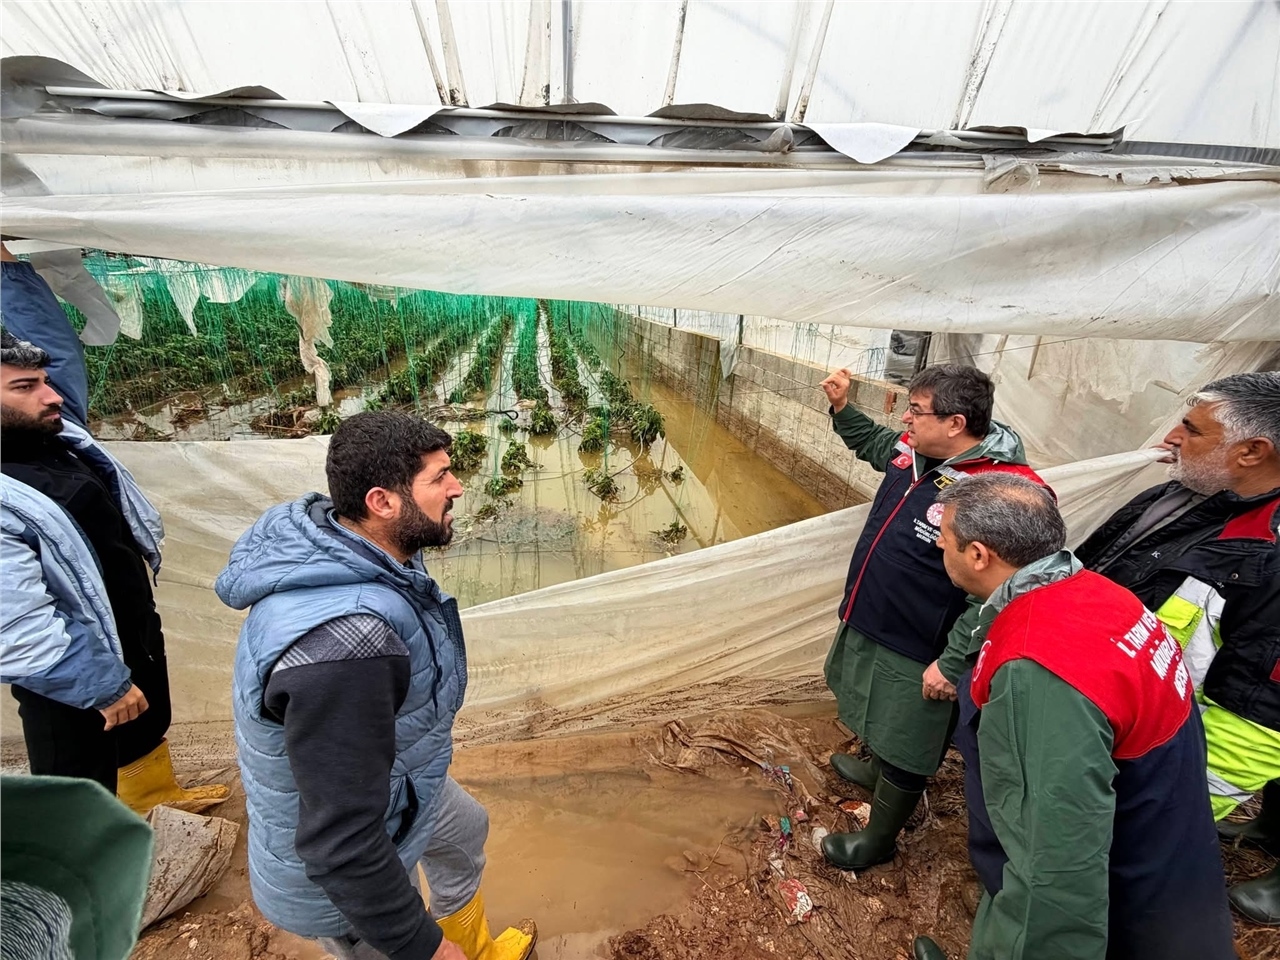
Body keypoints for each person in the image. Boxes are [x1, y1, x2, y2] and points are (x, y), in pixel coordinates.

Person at [215, 411, 536, 960]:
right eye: (438, 479)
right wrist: (421, 947)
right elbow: (341, 845)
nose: (457, 488)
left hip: (396, 781)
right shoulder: (348, 645)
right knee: (385, 936)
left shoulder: (345, 547)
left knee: (463, 831)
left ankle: (472, 942)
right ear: (381, 502)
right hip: (347, 869)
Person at [913, 473, 1235, 960]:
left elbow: (1054, 866)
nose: (940, 548)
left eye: (946, 542)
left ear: (979, 555)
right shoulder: (1100, 594)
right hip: (1167, 849)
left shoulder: (1034, 668)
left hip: (1120, 884)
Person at [816, 364, 1046, 871]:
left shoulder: (1001, 493)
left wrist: (954, 659)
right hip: (877, 614)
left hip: (926, 640)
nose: (906, 421)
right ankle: (878, 772)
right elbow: (877, 444)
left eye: (916, 412)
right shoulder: (914, 454)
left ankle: (878, 839)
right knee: (879, 708)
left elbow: (1001, 592)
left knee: (909, 737)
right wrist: (842, 408)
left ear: (956, 422)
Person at [1076, 370, 1280, 925]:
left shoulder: (1265, 554)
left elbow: (1257, 714)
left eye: (1190, 430)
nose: (1169, 439)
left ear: (1251, 451)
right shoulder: (1202, 494)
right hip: (1146, 707)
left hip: (1202, 735)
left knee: (1131, 847)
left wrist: (1179, 792)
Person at [0, 330, 228, 814]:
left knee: (145, 717)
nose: (52, 394)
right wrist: (95, 681)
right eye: (25, 386)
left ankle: (152, 796)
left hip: (123, 620)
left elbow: (50, 336)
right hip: (68, 659)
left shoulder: (49, 437)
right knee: (78, 772)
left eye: (45, 380)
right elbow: (14, 623)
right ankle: (87, 868)